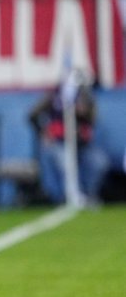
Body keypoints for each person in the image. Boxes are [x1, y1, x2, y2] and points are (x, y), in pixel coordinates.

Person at [29, 71, 110, 206]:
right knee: (66, 164)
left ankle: (88, 194)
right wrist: (43, 133)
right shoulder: (54, 97)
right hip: (59, 143)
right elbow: (32, 115)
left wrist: (83, 112)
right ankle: (68, 196)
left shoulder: (87, 99)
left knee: (99, 163)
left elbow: (92, 121)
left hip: (82, 145)